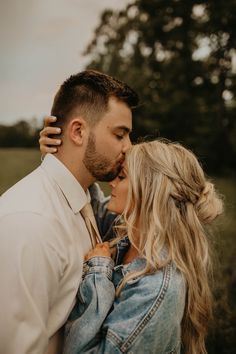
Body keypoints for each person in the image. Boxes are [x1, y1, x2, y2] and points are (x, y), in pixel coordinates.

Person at [40, 136, 223, 353]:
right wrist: (61, 157)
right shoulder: (132, 233)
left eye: (122, 176)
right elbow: (91, 206)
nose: (112, 182)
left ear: (149, 191)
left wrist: (97, 274)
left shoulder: (154, 291)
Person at [0, 69, 139, 354]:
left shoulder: (84, 199)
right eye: (120, 134)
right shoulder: (29, 224)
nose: (129, 147)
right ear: (77, 131)